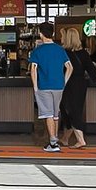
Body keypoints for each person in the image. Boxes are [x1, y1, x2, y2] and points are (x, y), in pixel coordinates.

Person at [58, 30, 96, 149]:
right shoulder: (84, 53)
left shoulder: (64, 53)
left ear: (67, 38)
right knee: (74, 110)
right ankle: (65, 138)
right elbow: (91, 69)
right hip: (81, 84)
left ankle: (80, 140)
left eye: (63, 36)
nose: (61, 39)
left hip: (68, 84)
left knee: (69, 111)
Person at [29, 21, 72, 152]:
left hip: (44, 86)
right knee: (55, 114)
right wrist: (64, 82)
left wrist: (35, 87)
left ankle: (53, 143)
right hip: (59, 86)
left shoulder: (37, 51)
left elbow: (33, 69)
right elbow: (70, 67)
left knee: (48, 113)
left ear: (41, 34)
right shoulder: (60, 50)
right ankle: (55, 140)